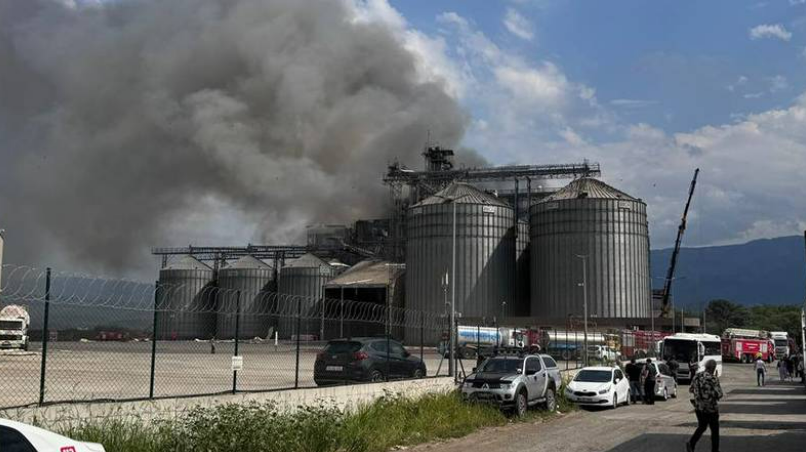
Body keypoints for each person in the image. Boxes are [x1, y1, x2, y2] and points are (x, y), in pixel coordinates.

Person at [686, 359, 723, 452]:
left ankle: (691, 443)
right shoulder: (713, 378)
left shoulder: (697, 376)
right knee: (715, 430)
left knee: (702, 427)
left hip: (699, 407)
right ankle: (715, 450)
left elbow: (691, 389)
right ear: (713, 368)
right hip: (711, 408)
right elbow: (719, 394)